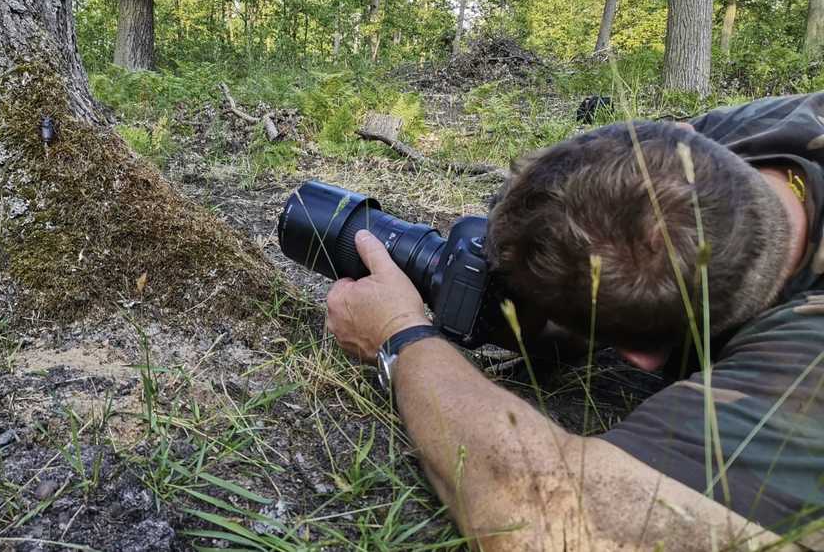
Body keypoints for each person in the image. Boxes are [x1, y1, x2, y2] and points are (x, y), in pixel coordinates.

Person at [325, 93, 824, 551]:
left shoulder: (805, 365)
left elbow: (549, 520)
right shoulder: (753, 132)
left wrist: (399, 334)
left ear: (643, 358)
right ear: (679, 133)